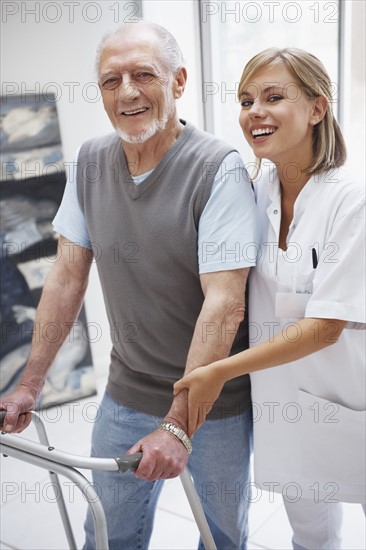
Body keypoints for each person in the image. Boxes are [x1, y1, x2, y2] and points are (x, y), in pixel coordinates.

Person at [0, 21, 258, 550]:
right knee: (110, 534)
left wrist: (180, 424)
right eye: (111, 81)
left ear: (180, 81)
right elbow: (68, 274)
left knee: (223, 537)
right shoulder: (90, 162)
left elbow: (225, 304)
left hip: (213, 403)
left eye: (144, 75)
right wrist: (30, 383)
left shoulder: (218, 170)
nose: (127, 93)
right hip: (127, 390)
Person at [174, 47, 366, 549]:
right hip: (286, 403)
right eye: (245, 100)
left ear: (318, 108)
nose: (254, 111)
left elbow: (327, 325)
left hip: (355, 391)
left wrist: (218, 370)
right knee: (310, 534)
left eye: (273, 97)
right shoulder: (251, 195)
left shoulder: (352, 198)